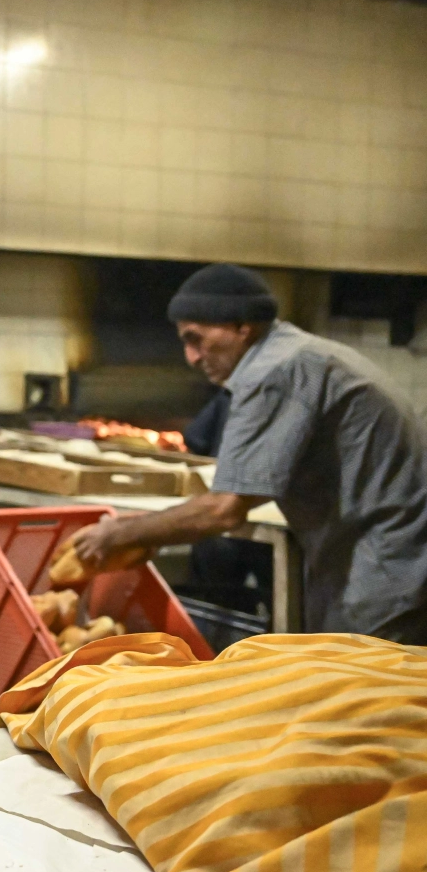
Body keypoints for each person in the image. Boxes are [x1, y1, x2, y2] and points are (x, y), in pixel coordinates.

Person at [69, 263, 427, 645]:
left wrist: (118, 533)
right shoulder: (295, 353)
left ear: (243, 327)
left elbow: (225, 508)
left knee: (371, 693)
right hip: (372, 555)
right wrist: (155, 529)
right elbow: (246, 492)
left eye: (197, 339)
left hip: (389, 563)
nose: (191, 357)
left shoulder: (275, 370)